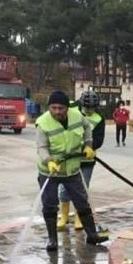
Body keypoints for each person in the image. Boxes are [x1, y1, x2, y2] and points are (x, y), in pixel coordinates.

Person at [36, 90, 108, 252]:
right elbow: (41, 147)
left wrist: (89, 144)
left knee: (82, 200)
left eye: (60, 108)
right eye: (53, 108)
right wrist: (49, 161)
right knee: (49, 205)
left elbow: (87, 128)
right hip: (50, 171)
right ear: (49, 108)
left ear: (67, 107)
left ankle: (92, 235)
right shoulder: (43, 123)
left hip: (72, 169)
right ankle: (52, 240)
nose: (57, 112)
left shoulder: (77, 116)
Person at [58, 90, 106, 231]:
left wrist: (89, 147)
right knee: (64, 189)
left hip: (86, 160)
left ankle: (80, 218)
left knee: (82, 190)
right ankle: (64, 216)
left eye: (92, 108)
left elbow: (98, 139)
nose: (89, 111)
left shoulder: (99, 119)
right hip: (68, 158)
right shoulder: (72, 110)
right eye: (87, 108)